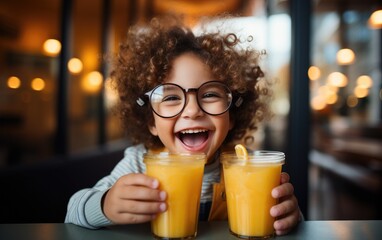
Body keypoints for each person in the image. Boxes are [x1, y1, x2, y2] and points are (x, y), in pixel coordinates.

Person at [65, 16, 301, 235]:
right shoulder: (139, 164)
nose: (192, 110)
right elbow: (73, 210)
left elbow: (287, 221)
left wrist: (289, 215)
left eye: (210, 95)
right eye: (170, 98)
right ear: (151, 122)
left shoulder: (248, 168)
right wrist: (105, 205)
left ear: (232, 116)